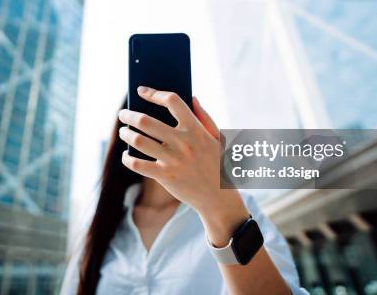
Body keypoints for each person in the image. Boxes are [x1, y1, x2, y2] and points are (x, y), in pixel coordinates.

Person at [62, 86, 307, 295]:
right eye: (147, 114)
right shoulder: (101, 223)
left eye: (172, 114)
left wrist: (220, 207)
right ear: (126, 128)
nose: (161, 125)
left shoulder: (239, 206)